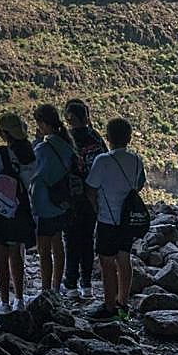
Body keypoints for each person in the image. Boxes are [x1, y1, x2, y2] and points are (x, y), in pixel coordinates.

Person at [84, 117, 146, 321]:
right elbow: (138, 185)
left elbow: (91, 189)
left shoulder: (102, 161)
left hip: (107, 219)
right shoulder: (136, 159)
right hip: (128, 220)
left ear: (108, 137)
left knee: (107, 263)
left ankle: (109, 306)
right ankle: (123, 303)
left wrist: (96, 209)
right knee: (124, 259)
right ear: (129, 138)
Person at [0, 112, 36, 314]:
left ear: (5, 134)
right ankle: (20, 298)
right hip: (22, 209)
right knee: (17, 254)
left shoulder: (0, 154)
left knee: (0, 257)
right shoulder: (32, 154)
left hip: (0, 210)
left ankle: (4, 302)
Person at [31, 104, 79, 296]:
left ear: (42, 123)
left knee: (44, 250)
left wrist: (36, 143)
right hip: (62, 203)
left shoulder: (42, 148)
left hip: (44, 204)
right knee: (58, 244)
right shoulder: (67, 144)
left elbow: (35, 173)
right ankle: (57, 286)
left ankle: (45, 289)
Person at [63, 98, 108, 298]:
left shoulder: (65, 139)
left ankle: (71, 285)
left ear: (69, 118)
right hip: (93, 197)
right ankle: (87, 283)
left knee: (71, 241)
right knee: (88, 240)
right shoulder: (96, 138)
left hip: (71, 198)